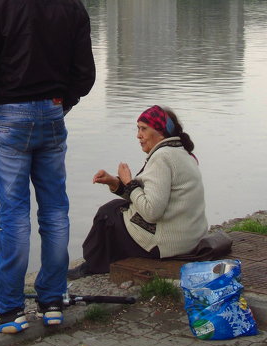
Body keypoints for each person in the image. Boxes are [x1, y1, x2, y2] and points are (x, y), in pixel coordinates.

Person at [0, 0, 96, 334]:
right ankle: (52, 299)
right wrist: (62, 104)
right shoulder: (71, 4)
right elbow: (85, 74)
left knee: (14, 214)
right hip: (52, 116)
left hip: (10, 117)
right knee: (55, 210)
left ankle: (7, 309)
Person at [68, 105, 209, 279]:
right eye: (138, 129)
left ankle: (92, 266)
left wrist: (129, 182)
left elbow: (151, 211)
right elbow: (148, 197)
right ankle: (100, 262)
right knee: (121, 208)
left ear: (160, 131)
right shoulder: (180, 152)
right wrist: (115, 183)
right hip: (189, 239)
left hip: (169, 245)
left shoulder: (162, 157)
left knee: (108, 214)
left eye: (143, 129)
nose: (138, 135)